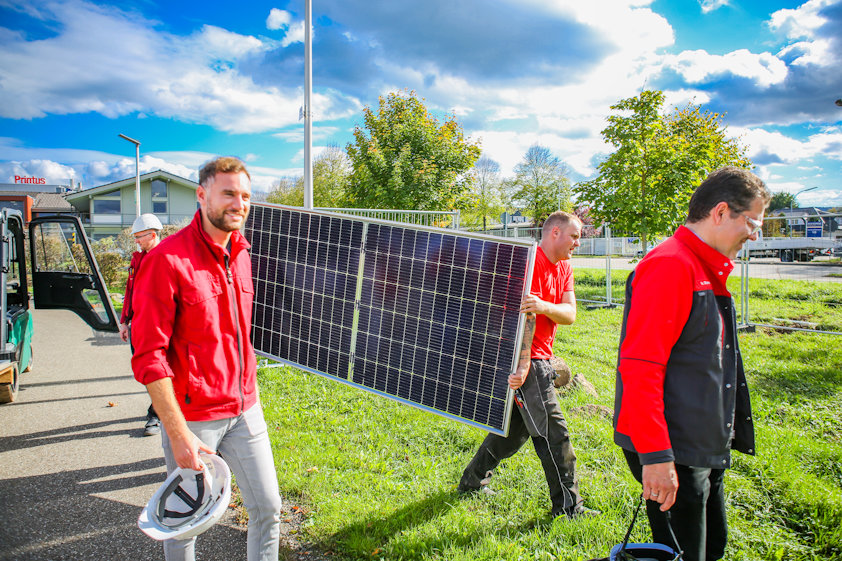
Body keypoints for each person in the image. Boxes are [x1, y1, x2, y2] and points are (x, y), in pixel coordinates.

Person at [613, 167, 771, 561]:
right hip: (673, 449)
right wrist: (656, 458)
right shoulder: (671, 265)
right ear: (720, 213)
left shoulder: (702, 266)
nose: (754, 235)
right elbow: (640, 367)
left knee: (711, 547)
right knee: (685, 553)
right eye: (752, 222)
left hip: (698, 444)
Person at [131, 156, 282, 561]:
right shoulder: (166, 260)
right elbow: (149, 356)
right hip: (195, 419)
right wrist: (178, 433)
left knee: (268, 509)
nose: (240, 204)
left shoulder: (243, 253)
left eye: (246, 196)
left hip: (246, 408)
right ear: (202, 195)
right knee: (185, 526)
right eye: (229, 193)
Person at [458, 211, 597, 520]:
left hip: (542, 356)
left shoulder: (564, 267)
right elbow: (521, 317)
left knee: (513, 432)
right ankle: (569, 508)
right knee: (554, 433)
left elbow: (570, 313)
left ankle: (471, 480)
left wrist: (546, 305)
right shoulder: (529, 261)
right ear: (555, 233)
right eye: (574, 236)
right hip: (525, 356)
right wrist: (521, 365)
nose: (578, 242)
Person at [119, 213, 163, 436]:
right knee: (146, 373)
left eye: (139, 237)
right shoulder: (137, 259)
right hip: (138, 327)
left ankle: (156, 415)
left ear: (152, 235)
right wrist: (124, 321)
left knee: (159, 372)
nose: (135, 241)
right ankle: (161, 409)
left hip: (159, 330)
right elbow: (130, 291)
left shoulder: (167, 258)